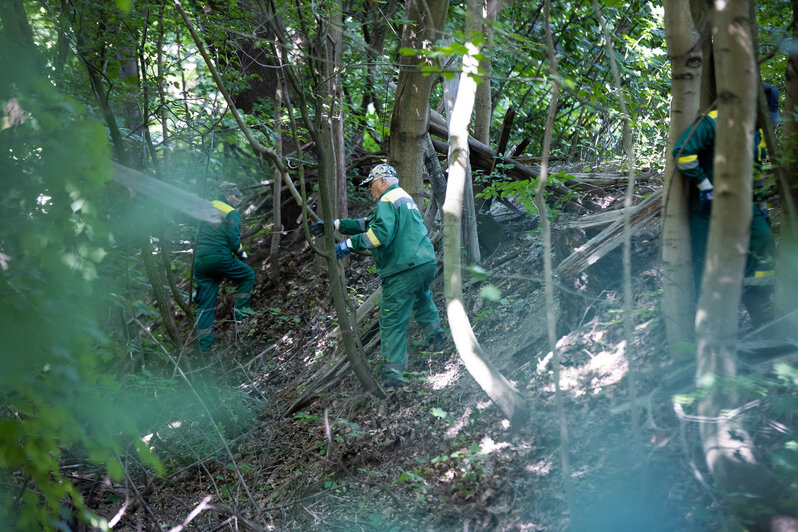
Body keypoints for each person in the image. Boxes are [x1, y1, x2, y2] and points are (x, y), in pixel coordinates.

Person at [311, 163, 445, 387]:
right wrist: (334, 225)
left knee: (392, 320)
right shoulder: (402, 198)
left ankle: (394, 376)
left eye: (371, 184)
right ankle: (436, 339)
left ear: (382, 181)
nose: (370, 190)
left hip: (403, 268)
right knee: (422, 300)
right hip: (424, 263)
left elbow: (378, 235)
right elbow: (369, 223)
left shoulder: (386, 201)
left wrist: (347, 245)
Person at [672, 83, 779, 327]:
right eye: (763, 117)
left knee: (763, 239)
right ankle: (708, 321)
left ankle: (758, 303)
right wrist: (705, 186)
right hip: (709, 207)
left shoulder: (758, 135)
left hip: (746, 204)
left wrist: (762, 207)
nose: (766, 124)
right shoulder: (713, 122)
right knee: (706, 258)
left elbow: (757, 172)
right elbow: (682, 153)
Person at [194, 182, 255, 351]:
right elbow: (234, 241)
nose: (238, 199)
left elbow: (195, 235)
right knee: (247, 275)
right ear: (228, 196)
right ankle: (242, 317)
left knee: (205, 304)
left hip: (200, 260)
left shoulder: (205, 208)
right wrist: (241, 253)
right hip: (220, 256)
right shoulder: (231, 212)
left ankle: (204, 348)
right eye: (236, 196)